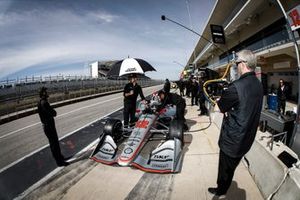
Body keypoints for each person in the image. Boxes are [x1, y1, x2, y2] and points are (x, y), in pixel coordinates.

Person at [208, 50, 263, 196]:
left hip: (232, 141)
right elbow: (246, 106)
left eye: (237, 63)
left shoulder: (235, 87)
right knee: (231, 168)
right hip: (246, 140)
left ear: (243, 64)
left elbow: (217, 108)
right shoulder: (258, 84)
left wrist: (223, 104)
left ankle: (221, 190)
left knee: (225, 170)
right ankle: (223, 186)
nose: (236, 66)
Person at [37, 87, 69, 167]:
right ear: (44, 93)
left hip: (47, 126)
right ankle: (60, 162)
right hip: (49, 126)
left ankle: (60, 158)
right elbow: (53, 113)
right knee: (54, 144)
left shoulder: (40, 102)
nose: (48, 93)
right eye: (46, 91)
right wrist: (53, 111)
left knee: (54, 144)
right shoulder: (44, 103)